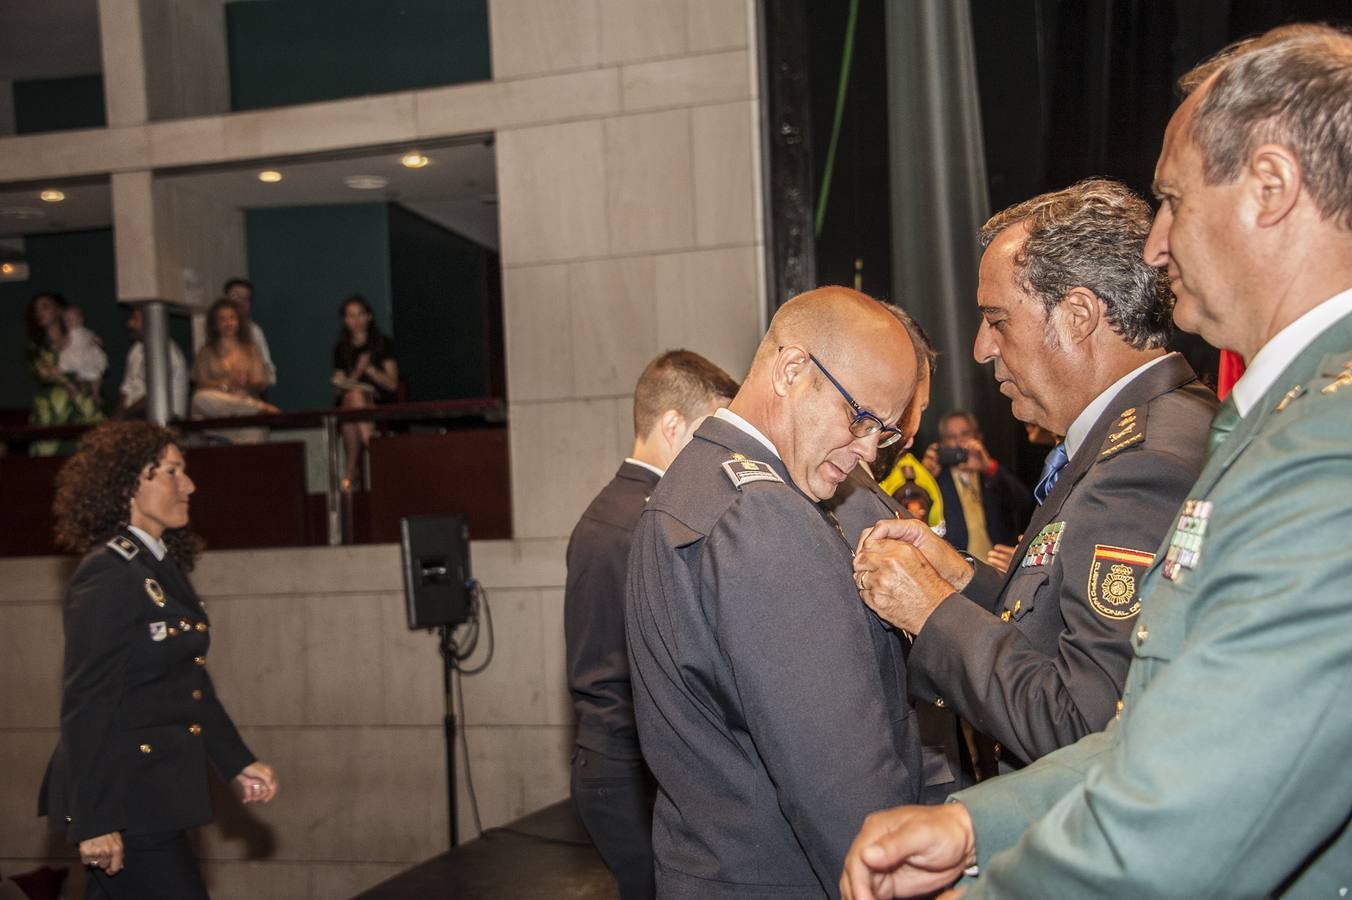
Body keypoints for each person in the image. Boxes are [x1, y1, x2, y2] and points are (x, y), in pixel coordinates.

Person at [840, 23, 1352, 899]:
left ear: (1270, 186)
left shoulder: (1321, 444)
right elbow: (1159, 728)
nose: (1156, 246)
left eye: (1174, 202)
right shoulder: (1270, 420)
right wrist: (977, 823)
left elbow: (1195, 801)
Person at [854, 179, 1217, 772]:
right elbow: (1056, 619)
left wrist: (931, 612)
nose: (980, 348)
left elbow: (1084, 724)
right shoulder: (1147, 427)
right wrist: (960, 579)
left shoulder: (1141, 467)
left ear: (1077, 316)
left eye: (997, 320)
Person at [626, 287, 923, 899]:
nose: (869, 451)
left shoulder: (697, 480)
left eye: (885, 435)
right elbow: (842, 785)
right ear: (792, 370)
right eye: (862, 419)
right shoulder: (768, 517)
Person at [37, 421, 279, 899]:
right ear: (131, 484)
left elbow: (188, 682)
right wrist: (96, 820)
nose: (188, 484)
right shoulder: (108, 574)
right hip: (125, 799)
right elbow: (87, 705)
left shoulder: (160, 567)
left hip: (154, 794)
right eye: (171, 471)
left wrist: (236, 761)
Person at [566, 349, 738, 900]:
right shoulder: (649, 520)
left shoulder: (614, 510)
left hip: (616, 760)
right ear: (672, 425)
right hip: (624, 765)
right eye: (710, 432)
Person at [924, 411, 1031, 561]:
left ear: (978, 437)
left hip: (998, 563)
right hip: (957, 565)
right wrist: (925, 477)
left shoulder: (989, 469)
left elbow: (1024, 502)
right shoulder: (937, 478)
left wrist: (989, 468)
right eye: (951, 437)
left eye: (965, 434)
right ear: (941, 444)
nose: (959, 441)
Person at [330, 295, 399, 489]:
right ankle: (374, 451)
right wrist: (355, 374)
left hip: (377, 401)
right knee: (352, 397)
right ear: (344, 320)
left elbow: (392, 384)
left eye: (360, 315)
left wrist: (370, 370)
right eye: (350, 316)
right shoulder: (341, 348)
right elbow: (338, 390)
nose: (356, 321)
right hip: (350, 402)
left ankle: (351, 470)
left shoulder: (383, 343)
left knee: (354, 399)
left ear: (368, 316)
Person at [24, 291, 104, 456]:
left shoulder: (81, 338)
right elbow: (44, 372)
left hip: (82, 404)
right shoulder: (36, 348)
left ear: (59, 310)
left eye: (44, 307)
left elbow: (96, 365)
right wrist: (66, 382)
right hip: (52, 408)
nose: (39, 313)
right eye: (36, 310)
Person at [190, 297, 277, 444]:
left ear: (239, 322)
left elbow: (261, 382)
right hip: (217, 411)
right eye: (222, 319)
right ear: (215, 324)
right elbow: (200, 384)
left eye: (232, 318)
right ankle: (256, 407)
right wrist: (226, 383)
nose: (228, 323)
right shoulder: (206, 352)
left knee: (253, 434)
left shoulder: (251, 350)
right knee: (199, 398)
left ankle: (250, 407)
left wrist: (246, 382)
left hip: (244, 413)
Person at [117, 306, 189, 420]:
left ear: (151, 321)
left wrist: (123, 416)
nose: (130, 323)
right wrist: (117, 417)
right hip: (133, 420)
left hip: (164, 421)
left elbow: (155, 397)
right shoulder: (136, 350)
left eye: (135, 319)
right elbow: (126, 389)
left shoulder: (167, 353)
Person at [223, 278, 277, 388]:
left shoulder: (254, 331)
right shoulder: (209, 328)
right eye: (235, 297)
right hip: (217, 391)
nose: (240, 302)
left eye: (245, 299)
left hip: (247, 390)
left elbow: (269, 372)